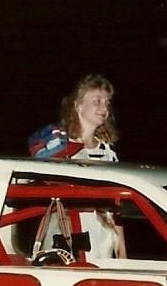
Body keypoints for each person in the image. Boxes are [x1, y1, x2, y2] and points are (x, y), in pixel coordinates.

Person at [27, 74, 125, 258]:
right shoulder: (56, 146)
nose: (104, 108)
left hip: (103, 238)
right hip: (66, 235)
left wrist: (122, 253)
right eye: (97, 101)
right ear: (78, 105)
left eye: (106, 103)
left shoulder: (107, 152)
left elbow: (116, 208)